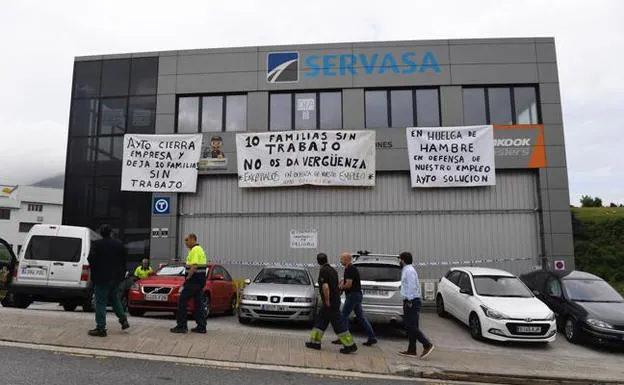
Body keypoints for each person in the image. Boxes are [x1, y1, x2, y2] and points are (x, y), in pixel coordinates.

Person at [306, 253, 357, 354]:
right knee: (320, 322)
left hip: (330, 302)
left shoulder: (323, 271)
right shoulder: (332, 270)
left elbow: (325, 287)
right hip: (334, 300)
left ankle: (350, 345)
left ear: (318, 261)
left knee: (338, 324)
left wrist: (327, 301)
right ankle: (315, 342)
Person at [87, 224, 130, 337]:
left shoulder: (97, 244)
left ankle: (100, 328)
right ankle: (123, 319)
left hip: (101, 277)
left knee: (100, 302)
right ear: (111, 232)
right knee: (115, 298)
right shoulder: (119, 245)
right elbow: (125, 261)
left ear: (101, 233)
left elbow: (90, 259)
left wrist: (95, 271)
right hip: (116, 278)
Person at [331, 251, 378, 346]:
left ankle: (344, 338)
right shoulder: (350, 269)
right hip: (356, 295)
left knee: (343, 316)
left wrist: (339, 288)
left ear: (346, 259)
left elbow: (348, 285)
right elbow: (347, 281)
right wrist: (341, 282)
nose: (340, 261)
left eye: (341, 259)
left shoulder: (350, 269)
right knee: (361, 317)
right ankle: (372, 337)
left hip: (353, 295)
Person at [399, 251, 434, 359]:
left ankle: (427, 344)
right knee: (411, 326)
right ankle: (411, 350)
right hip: (410, 300)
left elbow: (412, 286)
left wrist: (409, 300)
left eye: (400, 259)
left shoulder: (409, 271)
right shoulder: (407, 270)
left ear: (403, 260)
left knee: (411, 326)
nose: (399, 261)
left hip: (412, 301)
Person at [170, 233, 208, 334]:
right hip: (199, 282)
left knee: (182, 301)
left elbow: (194, 266)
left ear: (192, 239)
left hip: (193, 281)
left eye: (187, 240)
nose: (185, 242)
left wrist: (188, 277)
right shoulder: (199, 249)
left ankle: (181, 326)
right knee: (198, 304)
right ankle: (201, 326)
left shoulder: (195, 250)